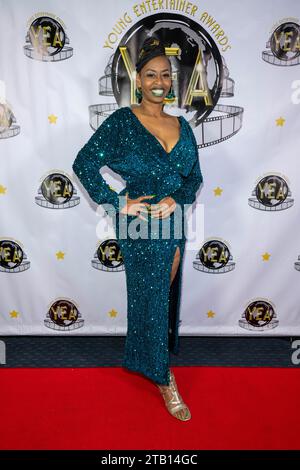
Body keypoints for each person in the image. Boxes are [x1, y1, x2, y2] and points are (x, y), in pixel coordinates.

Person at [72, 36, 203, 421]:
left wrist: (176, 200)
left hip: (175, 223)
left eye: (165, 74)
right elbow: (83, 163)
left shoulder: (182, 124)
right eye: (151, 75)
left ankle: (147, 359)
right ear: (139, 81)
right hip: (140, 227)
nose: (159, 81)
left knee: (160, 298)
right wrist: (117, 202)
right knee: (150, 298)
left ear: (172, 82)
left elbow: (193, 179)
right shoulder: (122, 122)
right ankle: (163, 377)